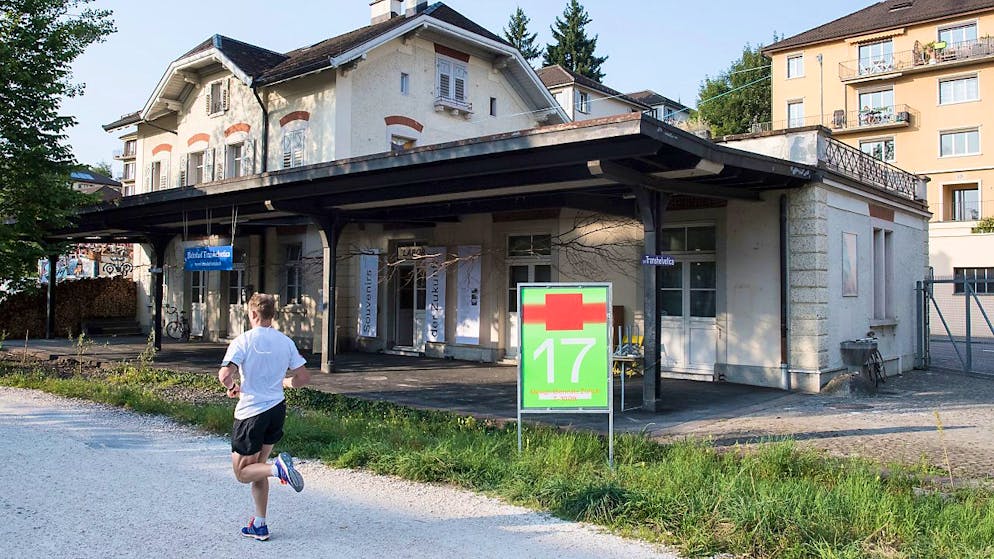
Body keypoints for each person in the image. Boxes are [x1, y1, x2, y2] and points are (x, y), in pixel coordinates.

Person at [218, 293, 311, 541]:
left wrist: (231, 387)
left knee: (242, 473)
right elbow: (303, 378)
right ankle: (260, 524)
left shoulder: (243, 341)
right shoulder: (285, 342)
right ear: (273, 315)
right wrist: (284, 382)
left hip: (251, 413)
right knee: (258, 469)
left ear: (253, 314)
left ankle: (278, 468)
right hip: (276, 410)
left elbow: (225, 375)